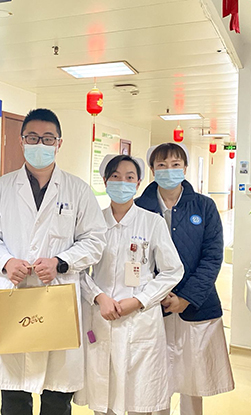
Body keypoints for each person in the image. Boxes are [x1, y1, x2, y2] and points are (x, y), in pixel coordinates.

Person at [0, 108, 107, 415]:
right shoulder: (1, 188)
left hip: (57, 297)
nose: (40, 144)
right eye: (33, 138)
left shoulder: (77, 189)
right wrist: (6, 262)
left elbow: (95, 239)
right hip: (13, 295)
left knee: (56, 397)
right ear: (22, 141)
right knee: (14, 397)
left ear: (59, 143)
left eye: (48, 138)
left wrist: (62, 262)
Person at [74, 154, 184, 415]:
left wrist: (139, 301)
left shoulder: (152, 222)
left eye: (129, 177)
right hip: (102, 314)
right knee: (104, 394)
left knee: (139, 397)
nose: (122, 182)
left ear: (138, 184)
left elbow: (172, 270)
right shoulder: (92, 223)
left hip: (140, 318)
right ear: (105, 181)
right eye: (115, 177)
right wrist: (99, 297)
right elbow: (78, 269)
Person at [134, 143, 234, 415]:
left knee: (193, 379)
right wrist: (155, 295)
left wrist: (186, 297)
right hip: (153, 306)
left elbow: (212, 257)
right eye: (162, 165)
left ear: (185, 168)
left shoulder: (204, 206)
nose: (169, 170)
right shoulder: (138, 208)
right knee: (155, 377)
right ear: (152, 170)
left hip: (196, 305)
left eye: (175, 164)